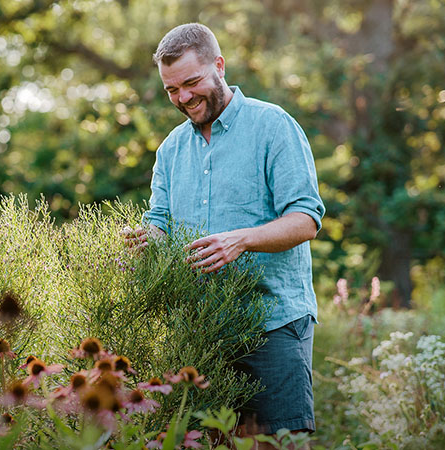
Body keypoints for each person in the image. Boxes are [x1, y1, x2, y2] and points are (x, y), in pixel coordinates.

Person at [123, 23, 325, 443]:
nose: (183, 98)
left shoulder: (273, 126)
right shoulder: (170, 150)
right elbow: (159, 221)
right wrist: (146, 239)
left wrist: (243, 239)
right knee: (206, 443)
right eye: (171, 90)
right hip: (200, 329)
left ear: (219, 66)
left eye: (192, 83)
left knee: (277, 444)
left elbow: (306, 218)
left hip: (273, 322)